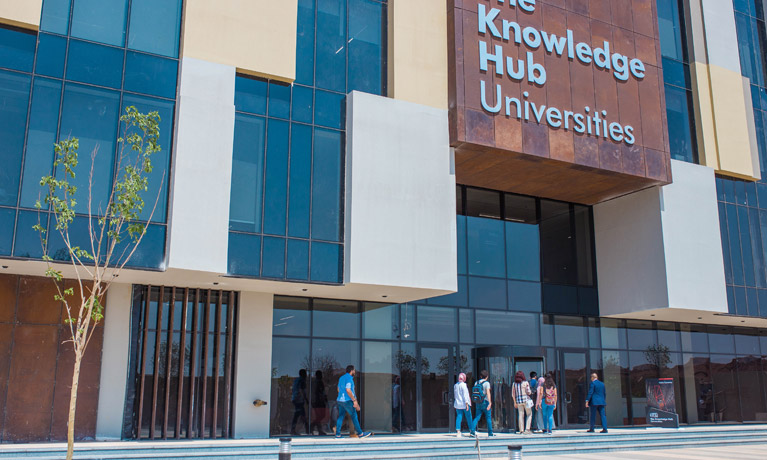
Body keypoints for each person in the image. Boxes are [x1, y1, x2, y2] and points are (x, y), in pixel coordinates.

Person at [335, 365, 372, 438]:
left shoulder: (341, 378)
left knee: (341, 416)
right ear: (351, 371)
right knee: (354, 416)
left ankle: (338, 434)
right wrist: (354, 400)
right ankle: (360, 433)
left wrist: (342, 395)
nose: (355, 372)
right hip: (347, 400)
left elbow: (338, 389)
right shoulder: (349, 379)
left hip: (340, 400)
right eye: (354, 370)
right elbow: (348, 390)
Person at [472, 370, 494, 437]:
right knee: (488, 417)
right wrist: (490, 402)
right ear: (487, 377)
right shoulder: (487, 383)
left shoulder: (476, 382)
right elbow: (488, 393)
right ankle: (490, 433)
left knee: (477, 417)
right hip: (485, 401)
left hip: (478, 402)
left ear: (480, 376)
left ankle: (472, 430)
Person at [453, 373, 475, 437]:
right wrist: (467, 404)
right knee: (469, 417)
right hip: (464, 404)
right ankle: (471, 430)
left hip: (458, 404)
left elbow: (455, 395)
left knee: (459, 417)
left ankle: (458, 431)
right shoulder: (464, 385)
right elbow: (465, 395)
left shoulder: (455, 385)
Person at [291, 369, 309, 435]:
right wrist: (306, 399)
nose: (306, 375)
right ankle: (308, 429)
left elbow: (293, 389)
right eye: (305, 373)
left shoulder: (296, 380)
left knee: (299, 414)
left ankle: (306, 429)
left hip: (295, 399)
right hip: (299, 400)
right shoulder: (302, 381)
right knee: (301, 414)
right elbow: (302, 391)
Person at [310, 370, 328, 435]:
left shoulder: (315, 382)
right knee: (321, 415)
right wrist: (324, 399)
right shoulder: (318, 382)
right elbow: (320, 392)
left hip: (316, 401)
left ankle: (316, 428)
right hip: (319, 402)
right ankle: (312, 426)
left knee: (319, 416)